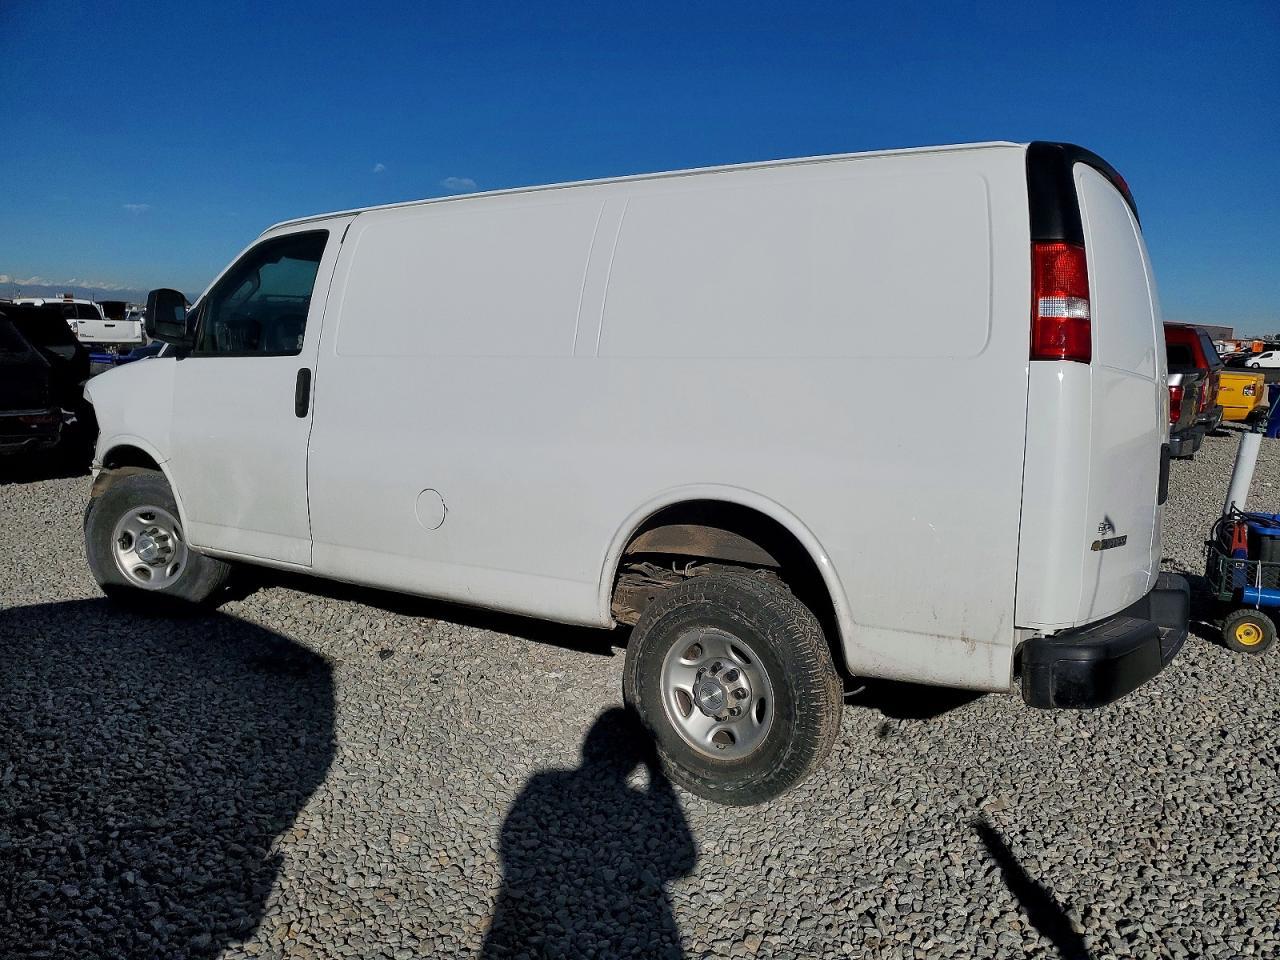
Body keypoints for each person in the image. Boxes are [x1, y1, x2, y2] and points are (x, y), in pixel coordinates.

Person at [482, 707, 697, 959]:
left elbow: (510, 839)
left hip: (522, 914)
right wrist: (655, 769)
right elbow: (683, 861)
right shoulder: (632, 801)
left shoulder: (544, 782)